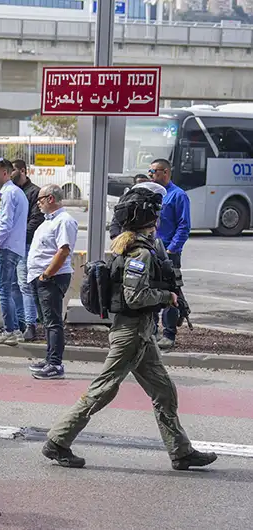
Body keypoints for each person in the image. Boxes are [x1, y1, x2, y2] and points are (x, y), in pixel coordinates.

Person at [42, 185, 217, 471]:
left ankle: (181, 452)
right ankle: (58, 441)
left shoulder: (134, 245)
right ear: (151, 220)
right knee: (103, 389)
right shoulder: (140, 253)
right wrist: (167, 297)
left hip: (141, 333)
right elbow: (135, 297)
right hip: (132, 332)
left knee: (164, 391)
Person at [25, 184, 78, 380]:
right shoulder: (47, 221)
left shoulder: (64, 221)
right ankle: (49, 360)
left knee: (53, 322)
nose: (38, 203)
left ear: (50, 199)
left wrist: (47, 274)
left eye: (40, 199)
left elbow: (63, 250)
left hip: (52, 278)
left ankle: (55, 364)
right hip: (40, 278)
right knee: (47, 322)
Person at [150, 159, 190, 351]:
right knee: (150, 290)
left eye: (154, 171)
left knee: (170, 292)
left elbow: (184, 226)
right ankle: (152, 331)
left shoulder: (178, 195)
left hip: (168, 253)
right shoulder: (154, 195)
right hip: (151, 251)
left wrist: (171, 249)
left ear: (165, 172)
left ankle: (169, 334)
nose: (151, 175)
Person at [0, 159, 28, 346]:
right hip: (15, 247)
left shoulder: (9, 194)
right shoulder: (17, 192)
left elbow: (5, 223)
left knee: (3, 291)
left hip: (7, 248)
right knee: (11, 289)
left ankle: (9, 330)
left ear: (6, 173)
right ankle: (17, 330)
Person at [12, 159, 43, 341]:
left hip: (25, 245)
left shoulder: (34, 192)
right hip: (14, 245)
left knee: (25, 285)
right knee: (14, 285)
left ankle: (30, 324)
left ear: (23, 170)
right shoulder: (12, 191)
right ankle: (21, 322)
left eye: (14, 170)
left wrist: (17, 237)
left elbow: (35, 221)